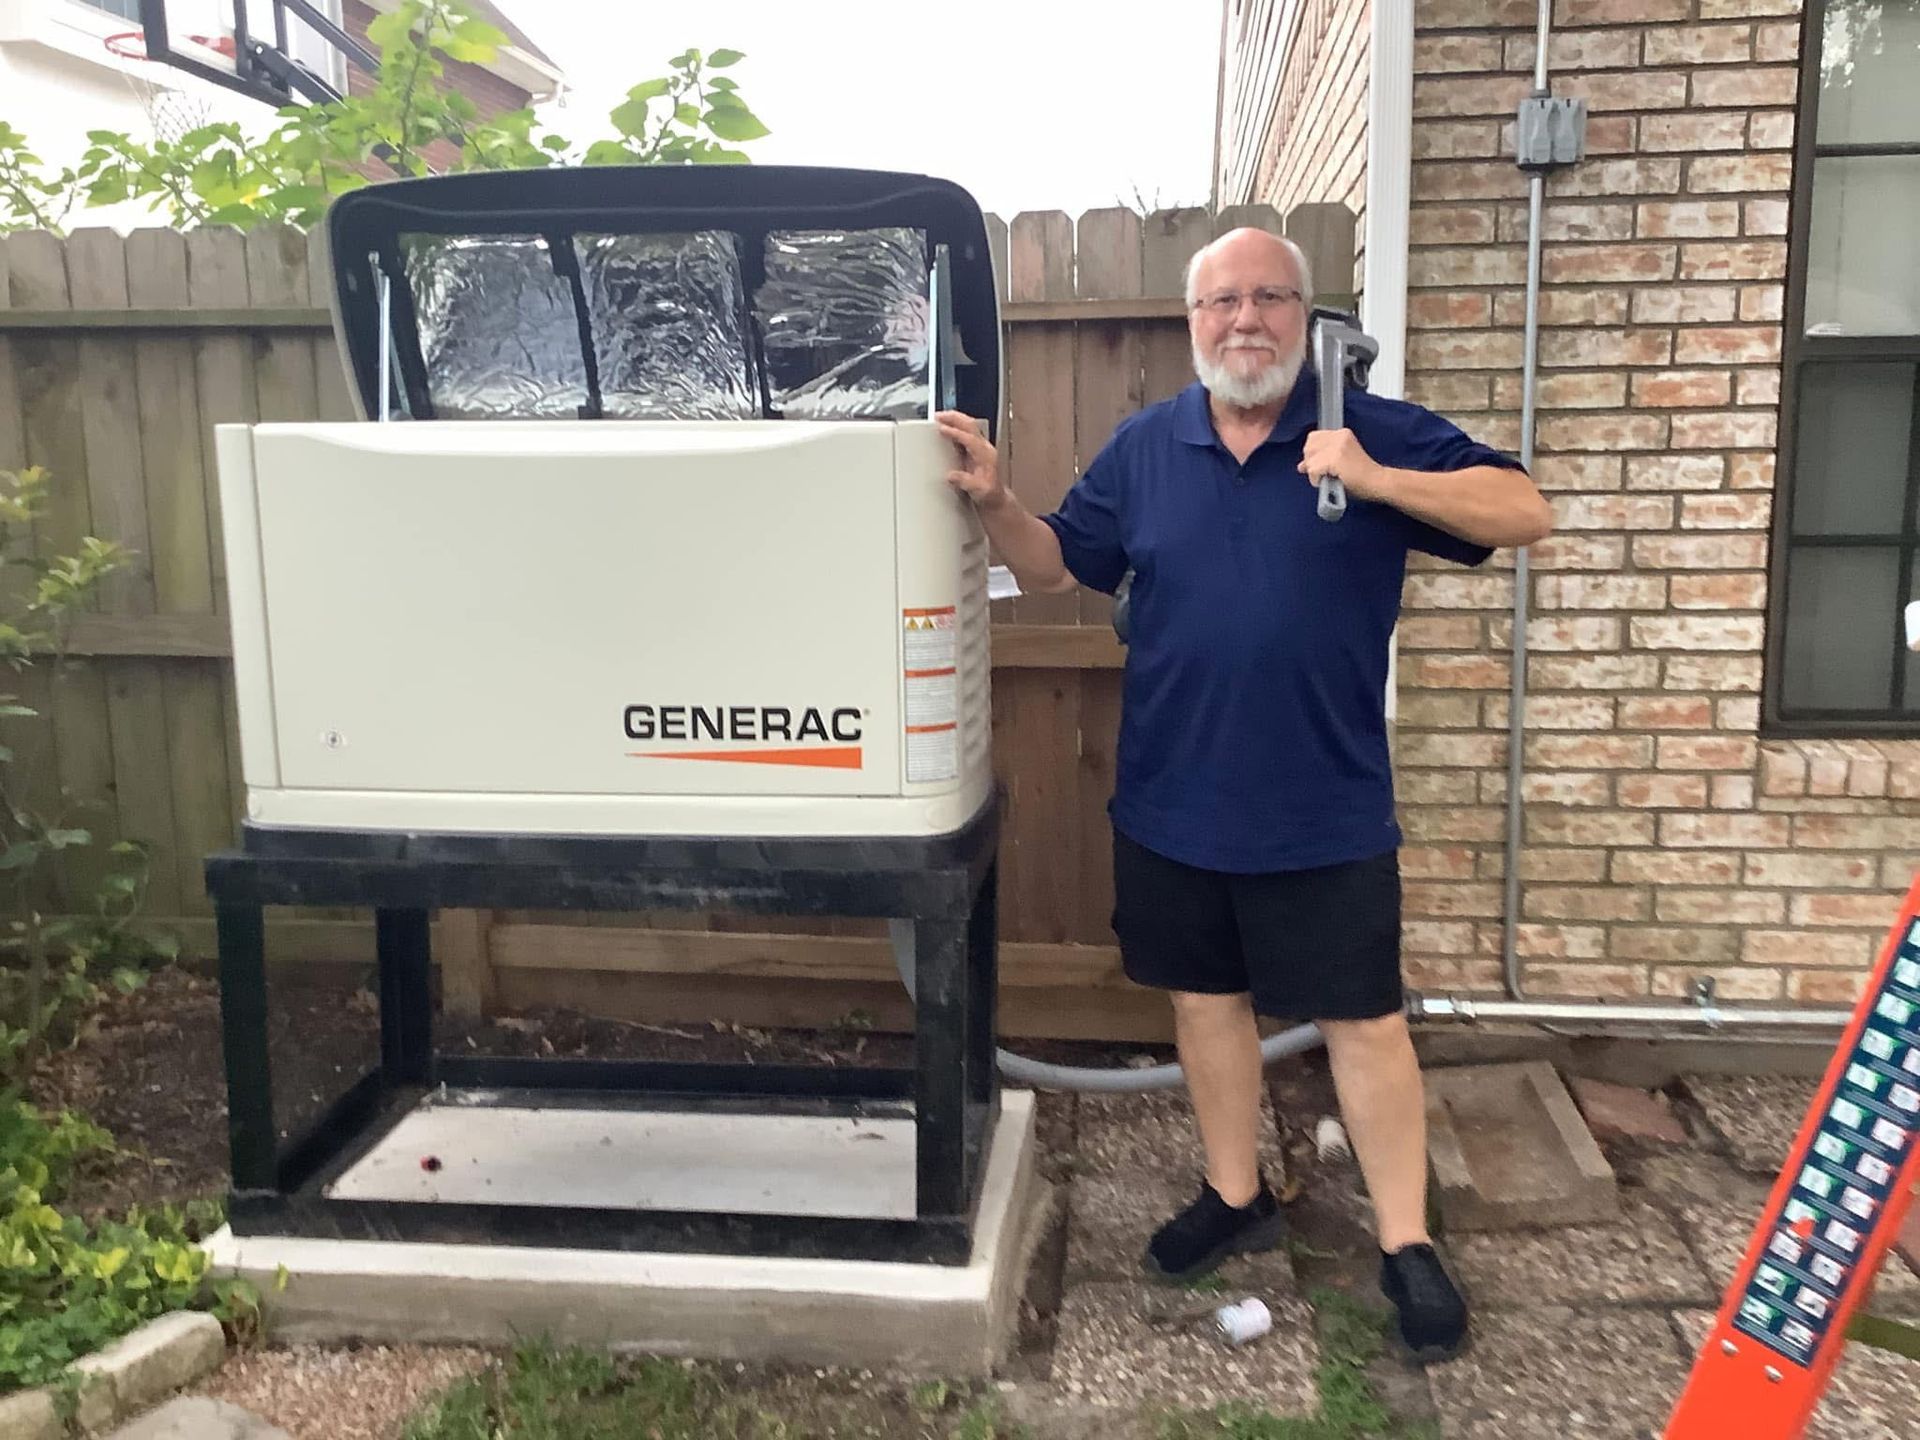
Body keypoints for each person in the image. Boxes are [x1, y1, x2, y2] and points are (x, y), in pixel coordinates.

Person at [934, 227, 1552, 1363]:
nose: (1245, 320)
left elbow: (1524, 513)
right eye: (1221, 302)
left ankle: (1408, 1243)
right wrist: (993, 499)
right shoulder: (1147, 444)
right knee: (1203, 1004)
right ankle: (1235, 1192)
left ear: (1305, 317)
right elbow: (1063, 560)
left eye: (1270, 297)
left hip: (1325, 807)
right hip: (1173, 799)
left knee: (1366, 1026)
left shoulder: (1362, 428)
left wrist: (1373, 478)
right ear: (1193, 325)